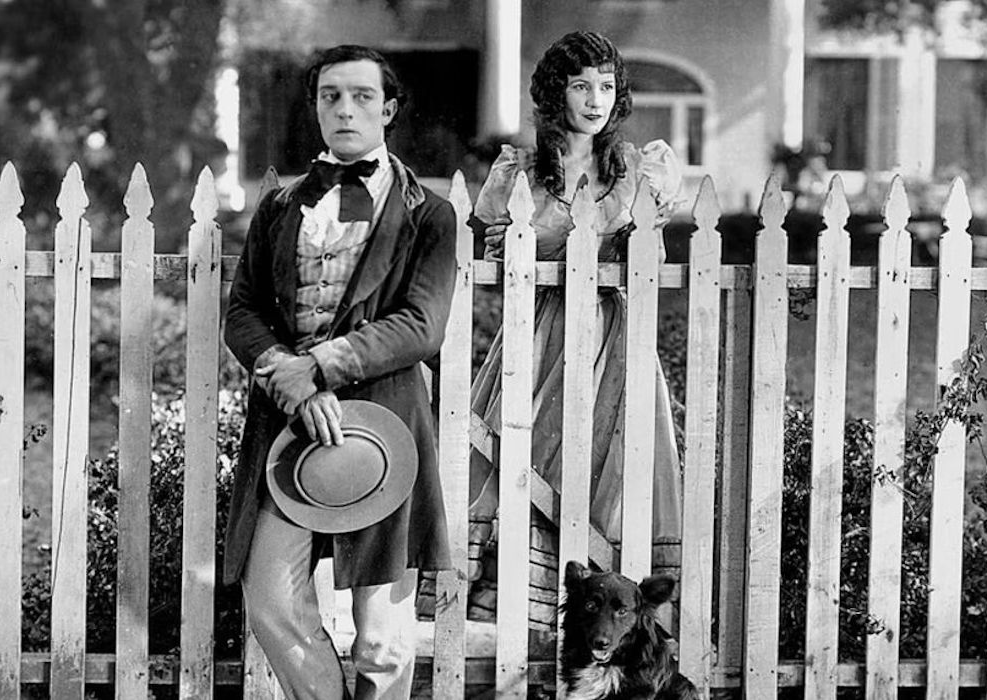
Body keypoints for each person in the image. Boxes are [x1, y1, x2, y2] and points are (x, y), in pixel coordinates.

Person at [223, 44, 457, 700]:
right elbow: (242, 313)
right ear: (316, 108)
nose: (344, 109)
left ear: (388, 108)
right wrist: (289, 382)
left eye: (360, 96)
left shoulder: (429, 215)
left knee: (382, 633)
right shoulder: (278, 208)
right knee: (270, 595)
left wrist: (318, 369)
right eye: (331, 96)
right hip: (289, 429)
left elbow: (420, 325)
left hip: (386, 428)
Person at [464, 31, 685, 620]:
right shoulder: (521, 171)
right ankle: (512, 609)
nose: (595, 99)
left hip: (615, 336)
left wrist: (640, 238)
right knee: (527, 461)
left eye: (607, 86)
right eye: (581, 84)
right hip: (543, 336)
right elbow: (491, 259)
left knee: (612, 469)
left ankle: (611, 615)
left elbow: (649, 261)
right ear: (555, 92)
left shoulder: (639, 170)